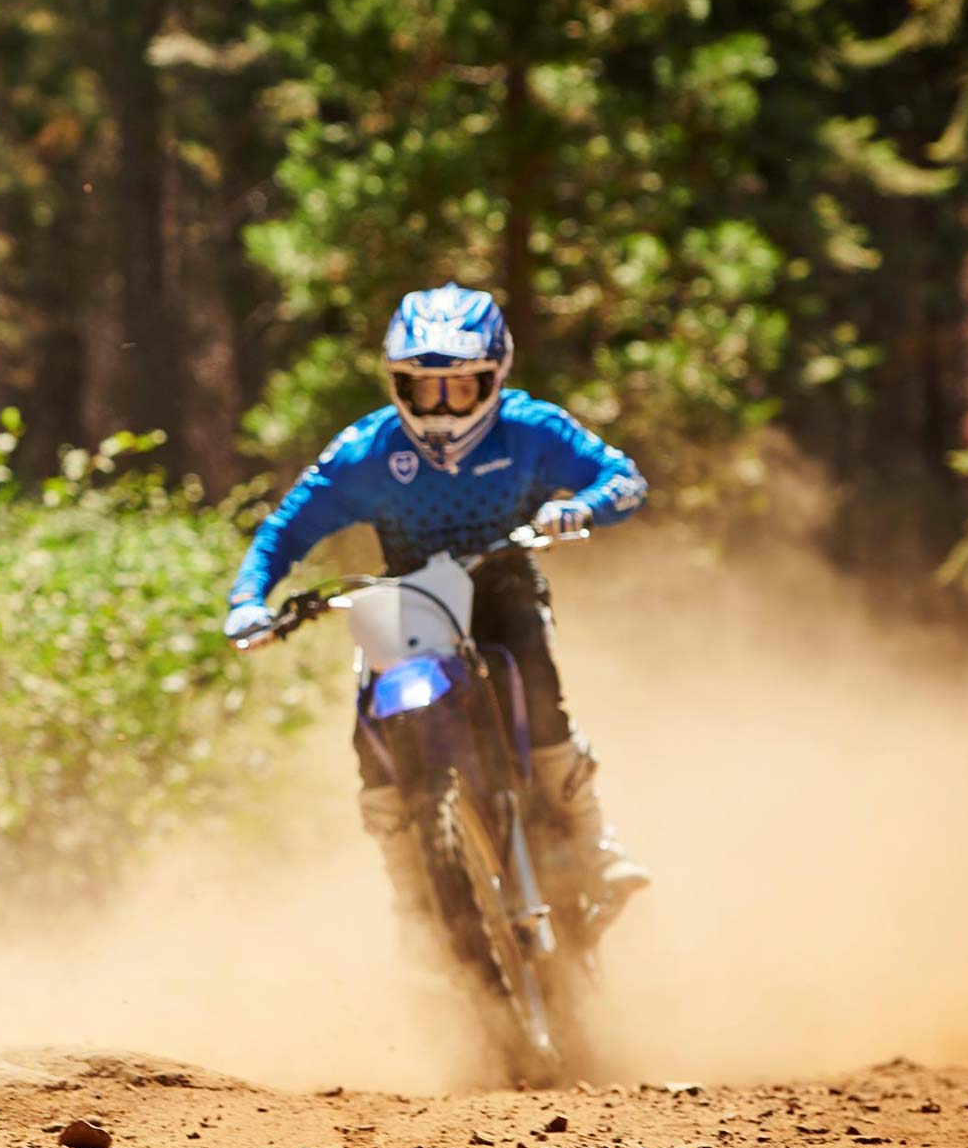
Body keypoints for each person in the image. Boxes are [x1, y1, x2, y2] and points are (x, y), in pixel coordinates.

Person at [223, 282, 650, 921]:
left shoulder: (530, 429)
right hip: (409, 601)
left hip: (503, 589)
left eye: (461, 386)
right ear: (397, 383)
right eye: (424, 387)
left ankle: (594, 847)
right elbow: (284, 529)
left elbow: (624, 479)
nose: (442, 407)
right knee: (371, 732)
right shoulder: (365, 451)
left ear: (495, 376)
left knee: (538, 694)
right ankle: (412, 898)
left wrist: (577, 507)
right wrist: (249, 599)